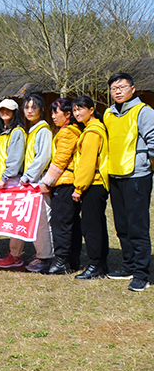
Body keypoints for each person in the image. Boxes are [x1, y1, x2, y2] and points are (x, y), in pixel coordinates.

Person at [103, 73, 154, 292]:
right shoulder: (109, 113)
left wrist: (145, 163)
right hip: (115, 175)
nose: (117, 91)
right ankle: (128, 266)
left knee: (138, 227)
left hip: (137, 176)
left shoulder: (144, 111)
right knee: (122, 226)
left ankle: (142, 274)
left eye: (122, 87)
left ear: (132, 89)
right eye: (114, 88)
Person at [8, 94, 53, 273]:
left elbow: (43, 157)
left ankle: (45, 257)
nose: (29, 111)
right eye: (26, 107)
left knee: (42, 221)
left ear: (41, 109)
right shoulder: (33, 130)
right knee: (35, 220)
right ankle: (41, 254)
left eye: (33, 107)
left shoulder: (43, 130)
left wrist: (27, 177)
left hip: (37, 182)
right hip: (31, 183)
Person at [38, 98, 82, 275]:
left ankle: (61, 261)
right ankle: (72, 259)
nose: (53, 116)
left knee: (61, 222)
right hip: (68, 182)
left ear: (68, 114)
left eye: (56, 112)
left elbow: (60, 161)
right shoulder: (70, 130)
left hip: (65, 182)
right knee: (71, 222)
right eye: (52, 113)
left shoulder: (67, 133)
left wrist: (47, 182)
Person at [70, 96, 110, 280]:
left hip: (93, 184)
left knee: (91, 226)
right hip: (96, 184)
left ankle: (94, 265)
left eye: (81, 109)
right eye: (75, 110)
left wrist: (79, 188)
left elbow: (87, 163)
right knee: (98, 224)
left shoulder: (92, 132)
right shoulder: (93, 129)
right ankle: (101, 263)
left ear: (91, 110)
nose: (77, 113)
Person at [0, 99, 28, 269]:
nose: (4, 113)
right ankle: (12, 253)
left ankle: (15, 255)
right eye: (1, 110)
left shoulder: (17, 132)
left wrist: (5, 177)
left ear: (15, 112)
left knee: (15, 220)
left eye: (8, 110)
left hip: (11, 182)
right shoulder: (3, 132)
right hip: (3, 183)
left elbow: (15, 159)